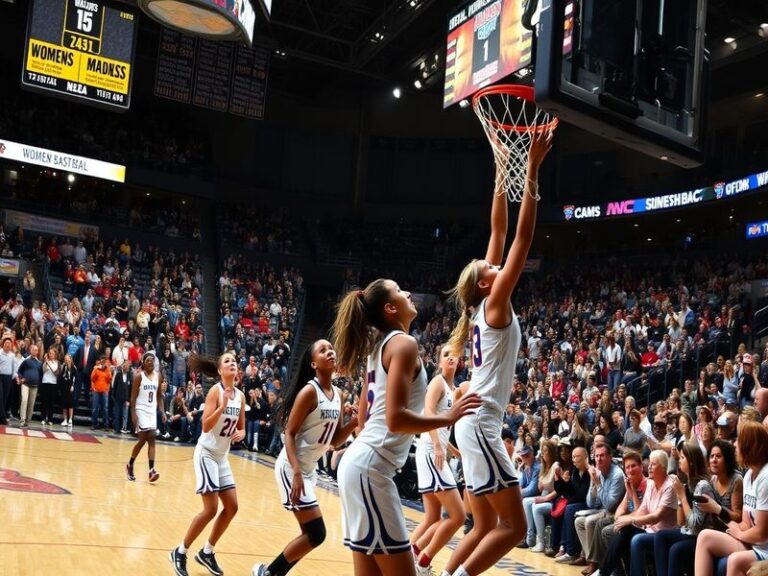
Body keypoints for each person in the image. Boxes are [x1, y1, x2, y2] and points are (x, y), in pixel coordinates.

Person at [443, 129, 552, 576]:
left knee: (487, 521)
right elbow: (520, 242)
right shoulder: (494, 300)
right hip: (482, 424)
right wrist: (531, 172)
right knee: (514, 526)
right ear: (488, 282)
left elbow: (499, 230)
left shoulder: (479, 302)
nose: (496, 262)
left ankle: (447, 573)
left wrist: (498, 172)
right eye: (492, 266)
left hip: (475, 424)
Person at [331, 280, 480, 576]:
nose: (409, 293)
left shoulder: (378, 348)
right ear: (390, 308)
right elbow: (395, 420)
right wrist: (448, 417)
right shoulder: (403, 343)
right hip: (370, 470)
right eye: (400, 291)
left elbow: (363, 419)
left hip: (361, 466)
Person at [252, 339, 358, 576]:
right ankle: (268, 573)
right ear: (313, 363)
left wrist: (354, 422)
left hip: (308, 469)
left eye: (331, 348)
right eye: (323, 350)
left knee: (308, 535)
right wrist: (297, 472)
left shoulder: (339, 395)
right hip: (292, 467)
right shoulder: (309, 391)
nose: (330, 351)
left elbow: (335, 440)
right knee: (317, 533)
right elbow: (288, 433)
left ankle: (268, 572)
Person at [171, 353, 246, 576]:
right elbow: (204, 426)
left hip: (222, 456)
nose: (232, 363)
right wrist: (221, 407)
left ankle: (207, 552)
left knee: (232, 507)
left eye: (234, 361)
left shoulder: (240, 396)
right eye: (227, 361)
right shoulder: (216, 391)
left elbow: (241, 427)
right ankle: (180, 551)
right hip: (206, 453)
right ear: (220, 371)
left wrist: (242, 433)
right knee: (211, 508)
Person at [410, 344, 465, 575]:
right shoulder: (437, 382)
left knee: (433, 517)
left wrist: (451, 448)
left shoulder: (452, 390)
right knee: (458, 516)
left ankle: (407, 556)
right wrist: (437, 446)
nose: (450, 357)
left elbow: (442, 426)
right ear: (439, 362)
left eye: (454, 354)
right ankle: (423, 563)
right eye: (445, 355)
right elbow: (429, 413)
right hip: (431, 452)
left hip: (435, 451)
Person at [694, 421, 768, 576]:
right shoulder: (748, 475)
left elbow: (761, 533)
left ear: (750, 445)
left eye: (740, 441)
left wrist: (739, 534)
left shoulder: (765, 478)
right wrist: (736, 527)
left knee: (734, 560)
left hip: (764, 548)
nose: (735, 445)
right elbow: (746, 523)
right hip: (753, 542)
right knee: (705, 536)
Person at [648, 442, 716, 576]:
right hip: (691, 532)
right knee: (661, 536)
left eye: (683, 458)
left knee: (676, 549)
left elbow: (695, 524)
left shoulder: (703, 486)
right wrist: (680, 496)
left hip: (703, 536)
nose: (679, 460)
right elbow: (680, 522)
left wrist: (682, 496)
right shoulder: (689, 483)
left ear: (691, 462)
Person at [126, 352, 166, 482]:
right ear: (143, 362)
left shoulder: (158, 376)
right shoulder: (139, 377)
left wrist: (163, 411)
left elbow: (159, 395)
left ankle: (151, 470)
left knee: (152, 437)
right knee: (143, 439)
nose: (151, 362)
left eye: (152, 360)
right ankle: (130, 464)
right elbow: (132, 399)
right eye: (148, 360)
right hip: (140, 409)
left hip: (151, 410)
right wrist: (133, 415)